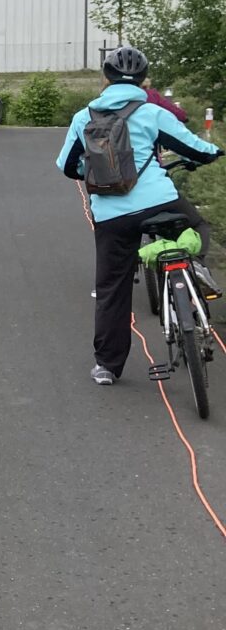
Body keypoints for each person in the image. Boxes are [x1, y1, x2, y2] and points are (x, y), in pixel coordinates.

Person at [55, 44, 223, 386]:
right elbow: (194, 148)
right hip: (160, 203)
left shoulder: (84, 117)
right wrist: (213, 151)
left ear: (106, 78)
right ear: (143, 80)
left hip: (112, 216)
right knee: (198, 226)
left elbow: (67, 166)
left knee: (112, 288)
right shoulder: (151, 112)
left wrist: (94, 172)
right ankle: (195, 278)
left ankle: (107, 366)